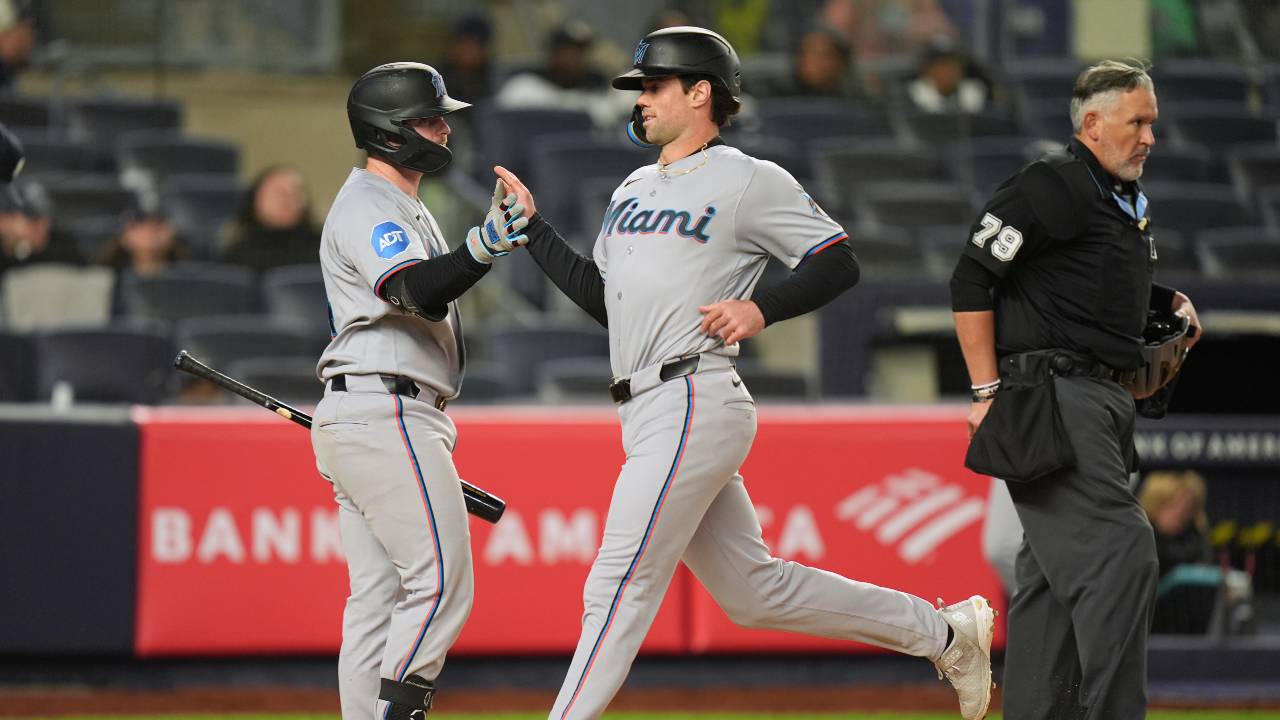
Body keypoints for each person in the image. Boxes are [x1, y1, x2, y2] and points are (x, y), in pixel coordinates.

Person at [494, 26, 994, 720]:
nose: (639, 99)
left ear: (700, 93)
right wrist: (534, 230)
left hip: (693, 394)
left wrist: (761, 308)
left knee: (618, 584)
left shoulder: (749, 179)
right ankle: (943, 634)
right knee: (754, 592)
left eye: (653, 86)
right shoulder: (635, 184)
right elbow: (601, 298)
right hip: (646, 408)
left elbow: (836, 260)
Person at [950, 59, 1203, 718]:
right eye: (1137, 121)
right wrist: (986, 392)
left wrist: (1164, 303)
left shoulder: (1119, 202)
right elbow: (972, 278)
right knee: (1123, 554)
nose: (1150, 136)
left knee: (1050, 581)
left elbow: (1081, 284)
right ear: (1092, 123)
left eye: (1153, 122)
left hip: (1099, 400)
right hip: (1054, 395)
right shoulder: (1054, 183)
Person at [311, 62, 527, 720]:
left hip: (374, 408)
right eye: (428, 120)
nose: (443, 128)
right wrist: (483, 245)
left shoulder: (399, 202)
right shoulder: (370, 206)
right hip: (386, 409)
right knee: (441, 582)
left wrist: (475, 248)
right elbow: (410, 291)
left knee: (376, 601)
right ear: (390, 133)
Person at [220, 166, 321, 273]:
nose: (287, 199)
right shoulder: (236, 257)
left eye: (294, 192)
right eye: (279, 192)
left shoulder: (324, 250)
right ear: (255, 200)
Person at [763, 25, 864, 99]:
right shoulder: (778, 97)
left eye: (823, 55)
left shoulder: (854, 100)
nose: (813, 61)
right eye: (807, 53)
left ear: (840, 62)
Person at [905, 35, 990, 114]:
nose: (951, 70)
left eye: (955, 64)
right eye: (944, 64)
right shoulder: (914, 94)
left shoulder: (972, 91)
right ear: (928, 69)